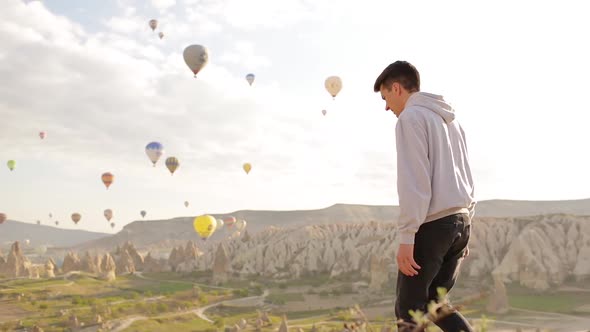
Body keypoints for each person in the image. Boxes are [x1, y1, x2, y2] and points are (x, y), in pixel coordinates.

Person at [373, 61, 476, 332]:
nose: (386, 107)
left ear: (396, 88)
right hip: (460, 223)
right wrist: (465, 227)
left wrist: (407, 237)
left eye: (385, 98)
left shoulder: (411, 118)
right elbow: (467, 175)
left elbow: (414, 183)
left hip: (433, 225)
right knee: (435, 303)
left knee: (408, 310)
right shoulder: (451, 121)